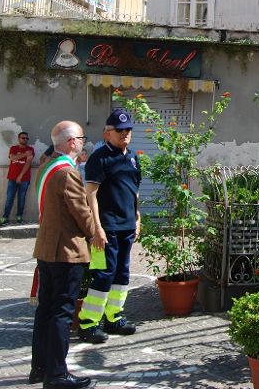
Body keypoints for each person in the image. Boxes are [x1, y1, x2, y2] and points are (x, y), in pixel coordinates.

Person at [30, 121, 94, 389]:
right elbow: (81, 213)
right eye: (81, 138)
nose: (83, 143)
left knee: (46, 310)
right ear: (72, 142)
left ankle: (40, 367)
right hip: (66, 252)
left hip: (46, 248)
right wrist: (97, 234)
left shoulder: (47, 167)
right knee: (63, 312)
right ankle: (56, 374)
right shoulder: (67, 172)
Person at [77, 109, 141, 344]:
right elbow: (90, 195)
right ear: (107, 133)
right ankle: (88, 323)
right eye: (120, 130)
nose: (125, 133)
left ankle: (114, 318)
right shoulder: (99, 158)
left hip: (127, 226)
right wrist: (97, 228)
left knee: (122, 273)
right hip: (106, 228)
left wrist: (137, 218)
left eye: (128, 129)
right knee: (104, 274)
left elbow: (134, 191)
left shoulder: (132, 157)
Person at [1, 131, 35, 226]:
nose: (25, 140)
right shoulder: (13, 148)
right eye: (23, 138)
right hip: (12, 177)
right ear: (19, 139)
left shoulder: (30, 149)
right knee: (9, 198)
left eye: (26, 138)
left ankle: (19, 216)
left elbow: (28, 163)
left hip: (24, 178)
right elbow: (12, 158)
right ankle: (5, 217)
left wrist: (20, 176)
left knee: (21, 198)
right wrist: (24, 154)